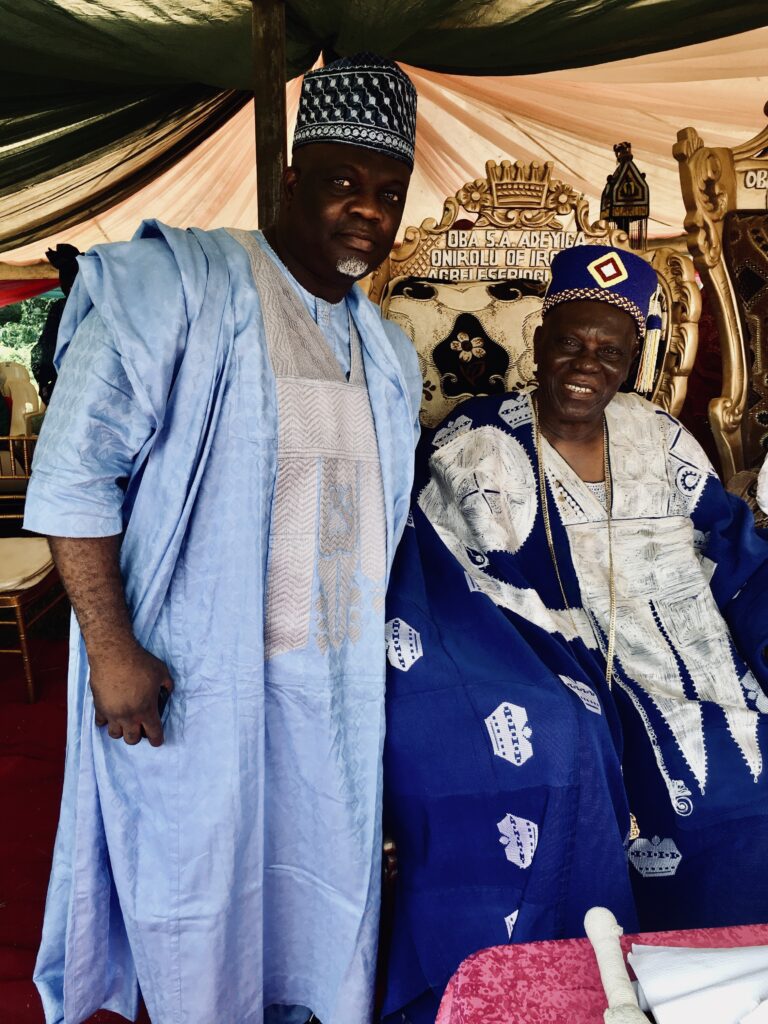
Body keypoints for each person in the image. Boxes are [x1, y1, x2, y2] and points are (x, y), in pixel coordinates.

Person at [24, 54, 421, 1024]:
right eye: (342, 181)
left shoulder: (387, 351)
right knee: (199, 905)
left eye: (389, 192)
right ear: (290, 177)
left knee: (318, 907)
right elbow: (73, 473)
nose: (367, 211)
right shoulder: (178, 287)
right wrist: (111, 648)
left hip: (330, 693)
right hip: (196, 685)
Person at [381, 245, 768, 1023]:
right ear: (539, 339)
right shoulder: (482, 438)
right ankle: (576, 989)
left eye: (609, 352)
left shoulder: (657, 433)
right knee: (581, 752)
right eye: (569, 342)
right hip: (551, 655)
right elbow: (460, 580)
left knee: (749, 758)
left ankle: (728, 992)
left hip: (696, 650)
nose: (587, 365)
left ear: (633, 359)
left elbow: (732, 545)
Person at [30, 243, 81, 405]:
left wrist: (46, 381)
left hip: (71, 380)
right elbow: (48, 345)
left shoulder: (63, 307)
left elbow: (47, 347)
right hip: (74, 379)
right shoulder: (63, 308)